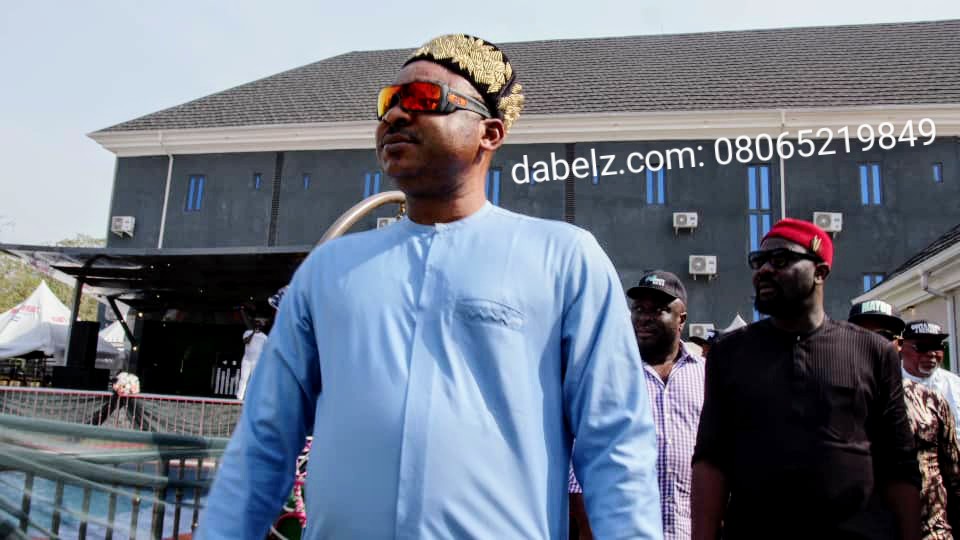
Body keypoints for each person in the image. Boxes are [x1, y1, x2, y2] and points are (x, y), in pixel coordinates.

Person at [196, 33, 662, 540]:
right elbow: (264, 443)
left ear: (489, 132)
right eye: (387, 103)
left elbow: (615, 444)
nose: (395, 116)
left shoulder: (564, 258)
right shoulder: (328, 270)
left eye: (422, 99)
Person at [691, 218, 921, 540]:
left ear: (820, 272)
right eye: (759, 261)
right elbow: (711, 461)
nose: (763, 270)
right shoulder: (729, 354)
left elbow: (899, 464)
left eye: (780, 259)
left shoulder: (873, 352)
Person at [851, 301, 960, 539]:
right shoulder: (827, 401)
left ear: (898, 345)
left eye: (884, 336)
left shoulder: (931, 400)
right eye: (860, 335)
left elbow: (954, 476)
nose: (872, 343)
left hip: (930, 532)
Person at [628, 270, 705, 540]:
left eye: (658, 310)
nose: (645, 317)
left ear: (681, 319)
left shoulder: (707, 375)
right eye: (639, 309)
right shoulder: (614, 376)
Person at [902, 320, 960, 432]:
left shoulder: (956, 384)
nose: (931, 353)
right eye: (922, 347)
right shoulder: (888, 385)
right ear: (902, 348)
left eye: (936, 346)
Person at [235, 319, 267, 400]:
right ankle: (239, 397)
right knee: (243, 378)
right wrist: (253, 333)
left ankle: (254, 398)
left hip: (256, 362)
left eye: (259, 325)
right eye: (256, 324)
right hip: (246, 360)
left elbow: (266, 350)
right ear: (253, 325)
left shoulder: (264, 337)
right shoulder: (247, 332)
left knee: (255, 380)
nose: (257, 326)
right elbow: (246, 341)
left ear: (261, 327)